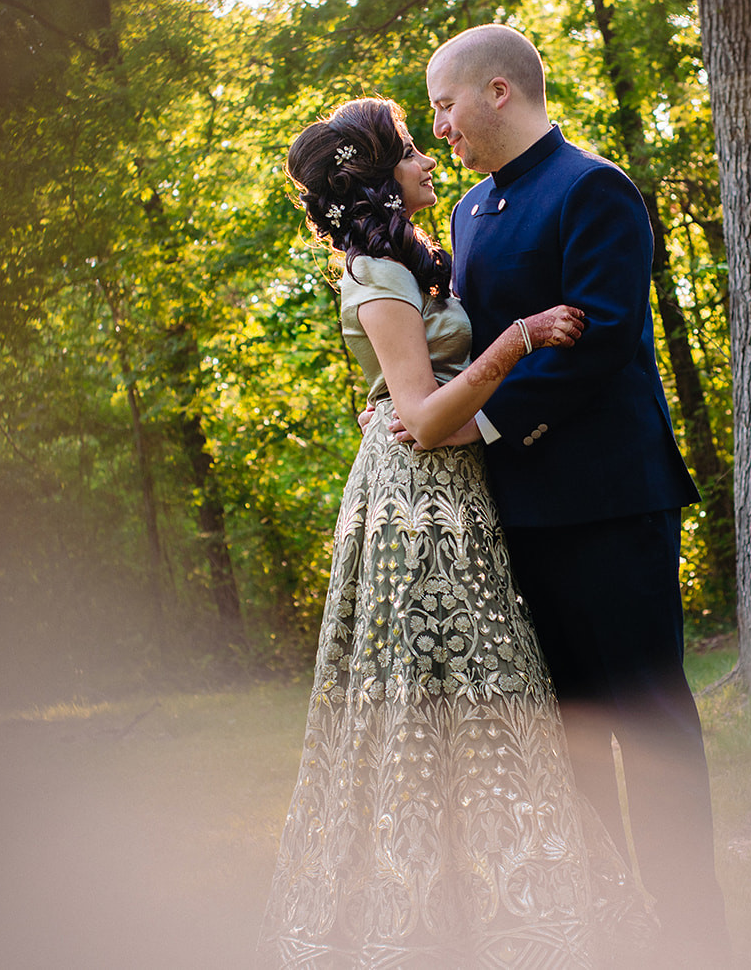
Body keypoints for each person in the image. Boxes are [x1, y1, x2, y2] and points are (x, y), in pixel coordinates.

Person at [259, 96, 654, 968]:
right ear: (375, 175)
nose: (430, 154)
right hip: (420, 505)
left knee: (492, 704)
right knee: (445, 709)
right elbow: (428, 419)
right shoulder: (374, 275)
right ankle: (433, 923)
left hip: (456, 500)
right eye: (409, 147)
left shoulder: (409, 258)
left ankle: (520, 907)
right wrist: (520, 335)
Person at [417, 23, 730, 965]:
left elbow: (596, 342)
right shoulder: (470, 213)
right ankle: (612, 931)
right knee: (571, 741)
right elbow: (467, 351)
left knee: (647, 720)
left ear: (499, 91)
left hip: (608, 504)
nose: (439, 129)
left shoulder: (594, 188)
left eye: (445, 104)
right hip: (515, 516)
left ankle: (693, 934)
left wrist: (481, 423)